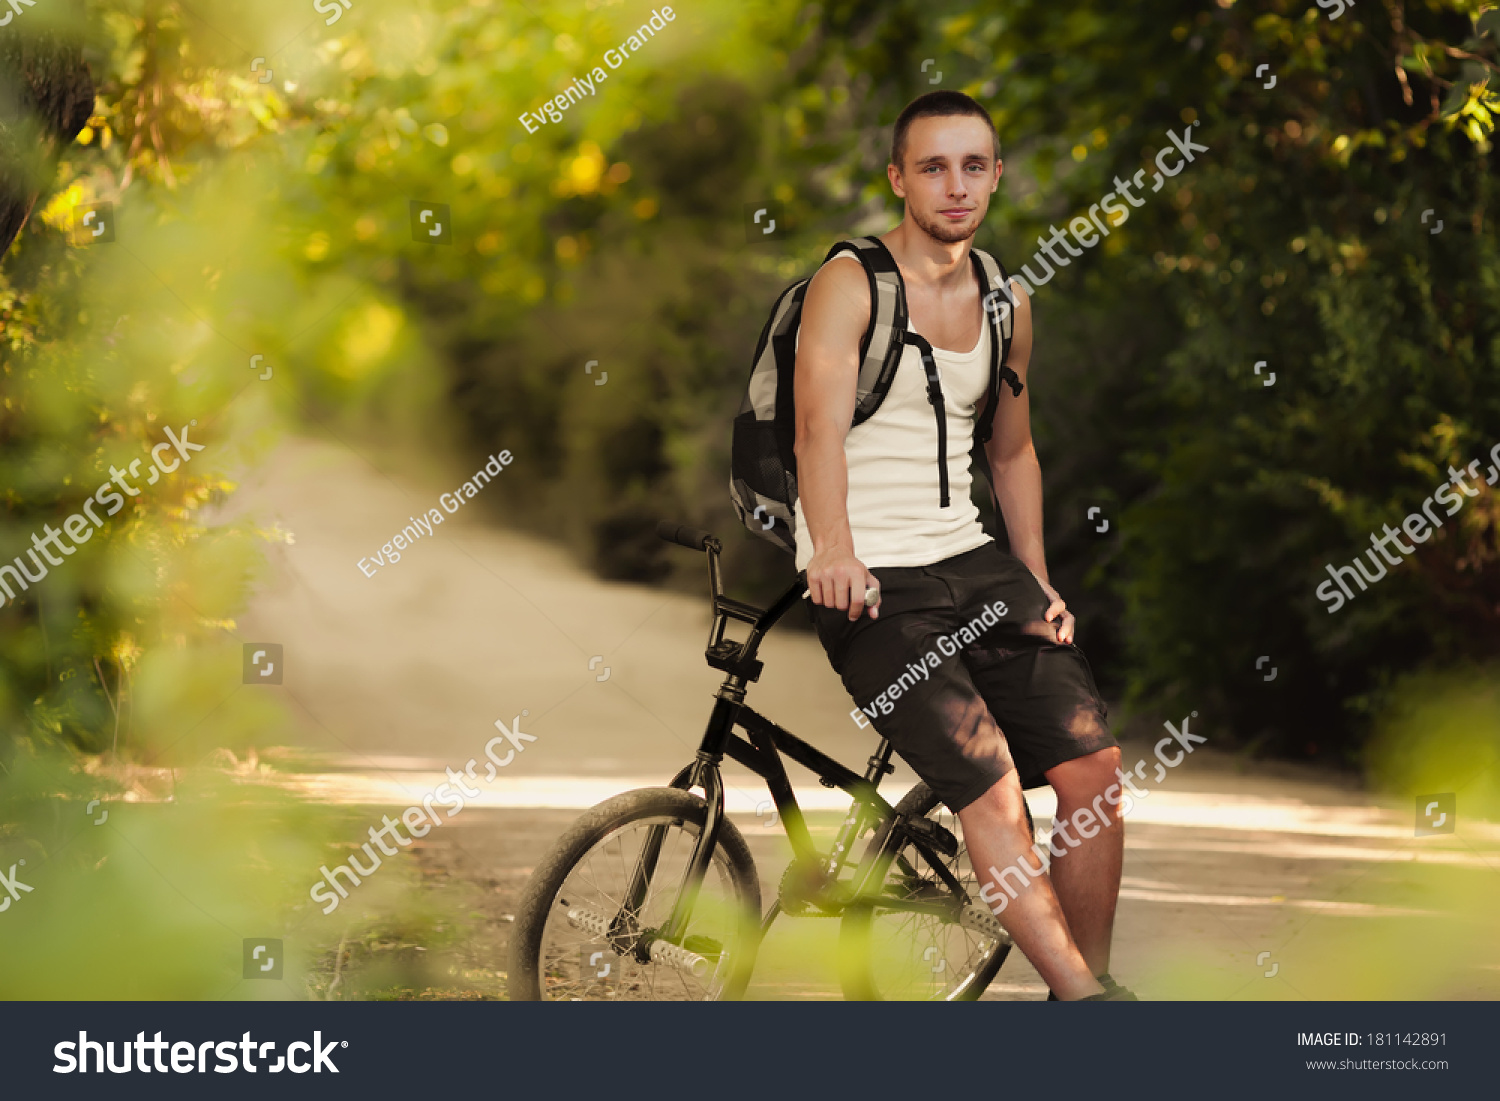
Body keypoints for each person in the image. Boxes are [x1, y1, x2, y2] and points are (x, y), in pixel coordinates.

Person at [793, 90, 1134, 1001]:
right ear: (898, 177)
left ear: (994, 176)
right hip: (872, 576)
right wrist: (833, 546)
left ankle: (1083, 994)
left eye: (973, 165)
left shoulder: (1005, 302)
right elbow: (816, 431)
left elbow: (1012, 449)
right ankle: (1086, 1001)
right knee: (989, 788)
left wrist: (1037, 577)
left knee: (1093, 770)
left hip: (974, 561)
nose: (955, 185)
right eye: (933, 166)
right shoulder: (850, 283)